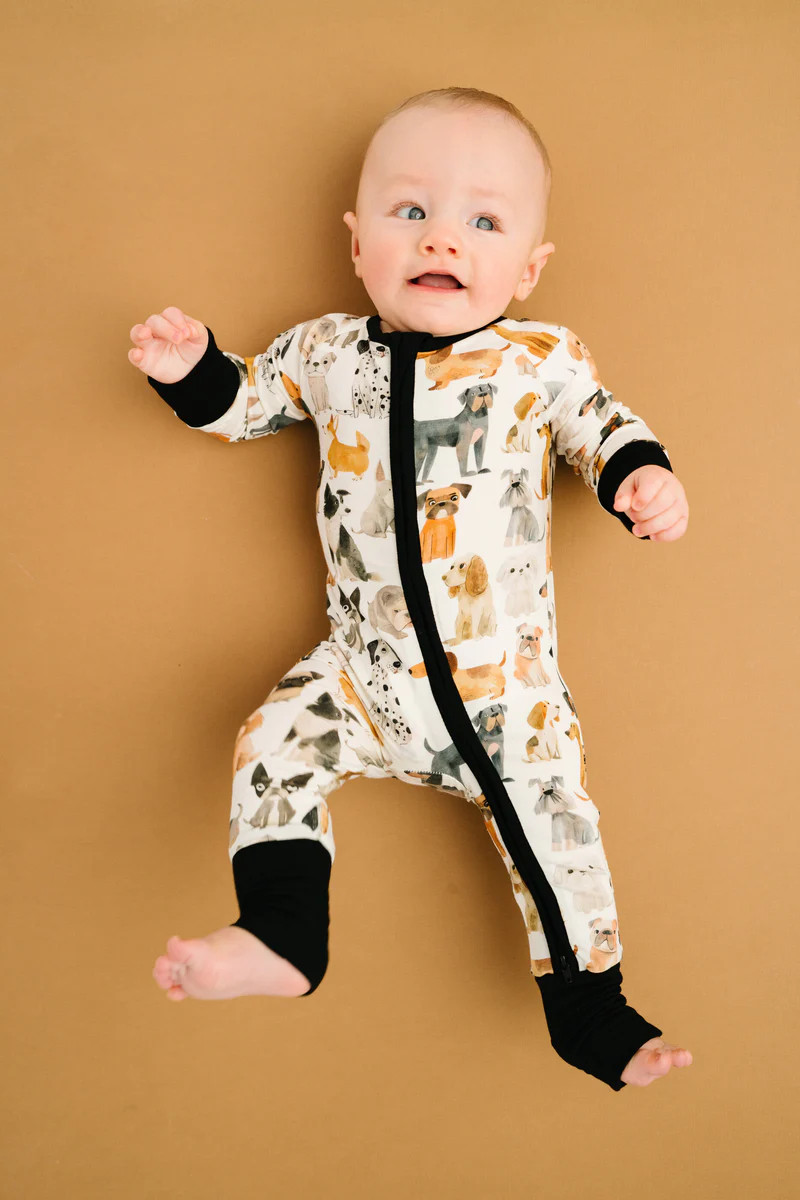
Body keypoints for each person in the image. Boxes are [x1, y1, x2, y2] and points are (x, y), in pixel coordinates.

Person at [128, 87, 692, 1090]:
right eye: (411, 211)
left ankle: (591, 1016)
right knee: (272, 740)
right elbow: (246, 403)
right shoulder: (324, 352)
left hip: (506, 696)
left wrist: (640, 478)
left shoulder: (538, 360)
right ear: (358, 244)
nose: (442, 238)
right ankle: (281, 936)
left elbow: (600, 425)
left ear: (528, 269)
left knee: (560, 843)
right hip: (361, 672)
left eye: (483, 221)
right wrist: (192, 371)